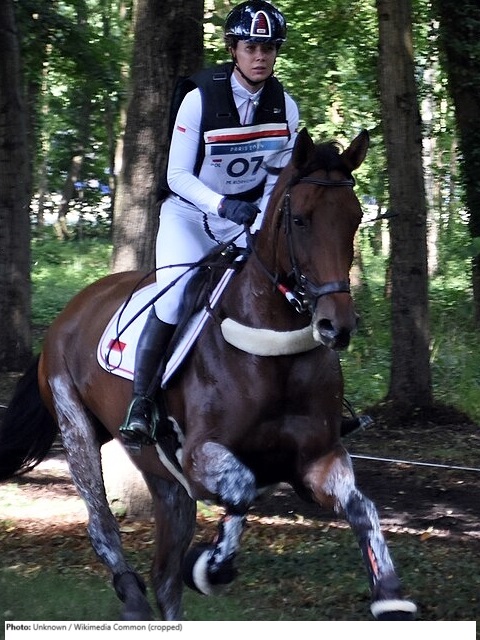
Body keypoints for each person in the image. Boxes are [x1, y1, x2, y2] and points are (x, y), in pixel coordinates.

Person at [120, 0, 299, 460]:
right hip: (189, 217)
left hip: (244, 220)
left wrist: (259, 216)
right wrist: (223, 205)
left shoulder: (286, 107)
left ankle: (305, 402)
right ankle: (141, 402)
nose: (260, 56)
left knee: (286, 289)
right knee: (175, 298)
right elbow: (177, 175)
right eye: (250, 47)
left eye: (268, 48)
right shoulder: (198, 99)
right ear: (233, 50)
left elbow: (279, 179)